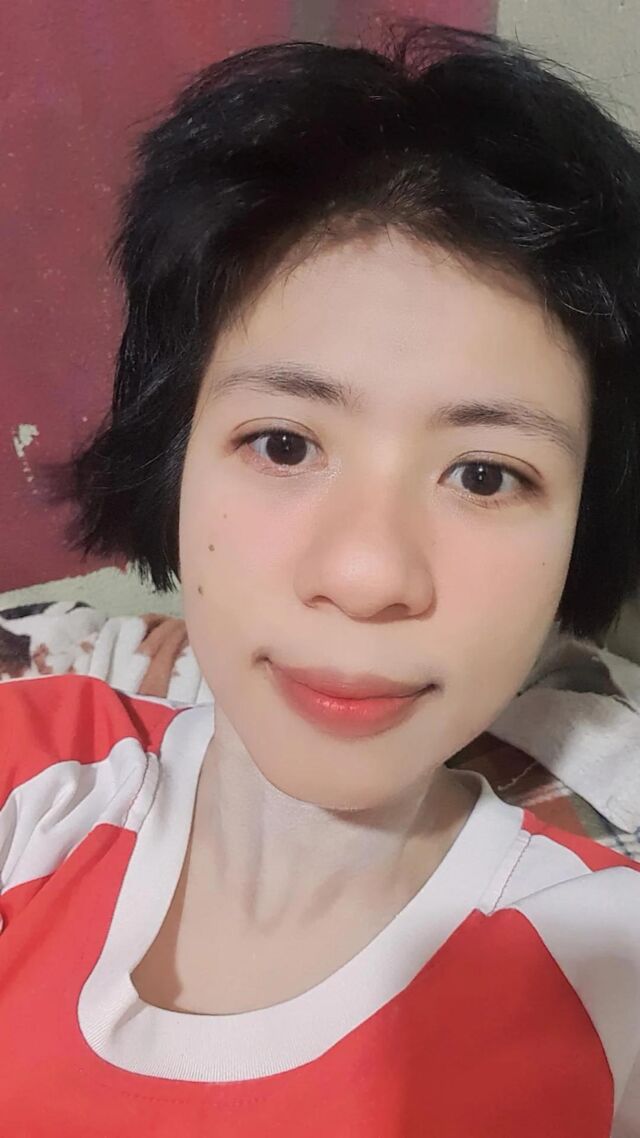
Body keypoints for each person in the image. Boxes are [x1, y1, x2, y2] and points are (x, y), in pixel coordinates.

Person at [1, 20, 640, 1136]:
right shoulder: (32, 781)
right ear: (174, 458)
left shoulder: (608, 970)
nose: (367, 573)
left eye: (485, 474)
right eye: (285, 444)